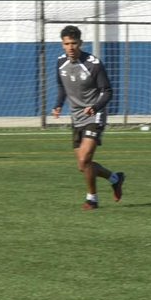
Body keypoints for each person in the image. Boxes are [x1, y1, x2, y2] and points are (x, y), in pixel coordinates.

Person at [50, 25, 125, 209]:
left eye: (74, 43)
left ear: (80, 43)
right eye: (67, 44)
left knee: (84, 160)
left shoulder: (93, 64)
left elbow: (107, 91)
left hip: (95, 116)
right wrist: (58, 104)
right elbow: (62, 87)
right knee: (83, 165)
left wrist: (95, 107)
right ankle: (115, 178)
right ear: (62, 44)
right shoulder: (60, 63)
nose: (71, 47)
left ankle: (92, 199)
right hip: (76, 118)